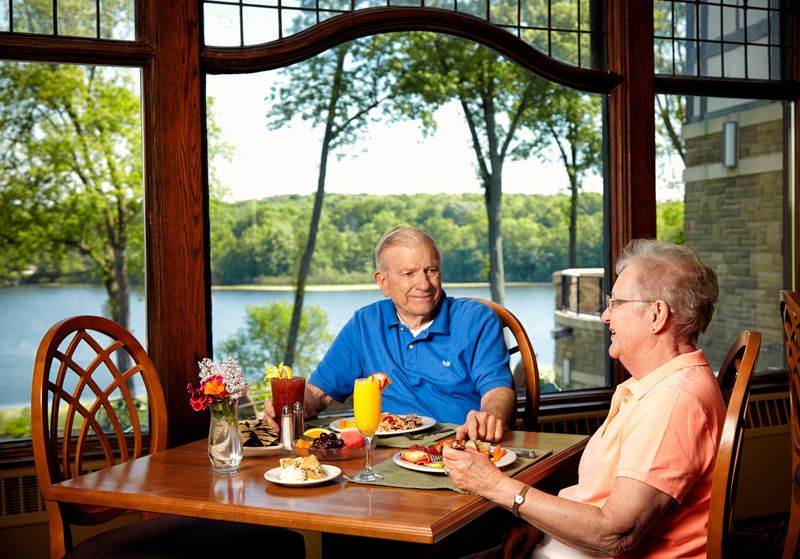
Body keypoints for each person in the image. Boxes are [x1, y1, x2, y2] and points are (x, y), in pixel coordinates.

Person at [443, 238, 726, 558]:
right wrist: (543, 524)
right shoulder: (654, 385)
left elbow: (615, 533)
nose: (605, 316)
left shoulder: (673, 401)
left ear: (656, 315)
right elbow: (601, 497)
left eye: (616, 303)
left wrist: (493, 485)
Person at [264, 226, 516, 442]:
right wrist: (287, 406)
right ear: (383, 282)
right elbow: (319, 393)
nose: (424, 284)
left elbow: (498, 391)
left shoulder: (476, 318)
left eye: (431, 270)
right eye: (409, 274)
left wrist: (489, 418)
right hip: (384, 453)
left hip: (459, 446)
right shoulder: (365, 323)